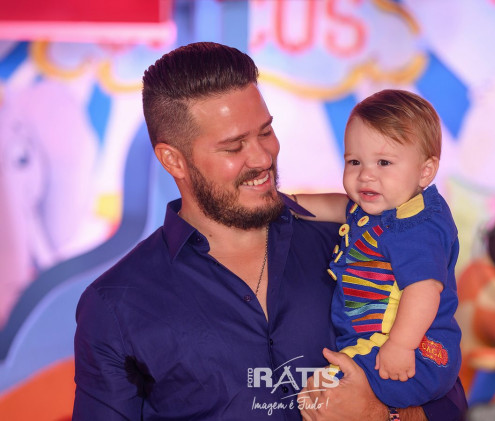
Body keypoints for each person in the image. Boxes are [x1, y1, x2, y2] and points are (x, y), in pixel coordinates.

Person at [72, 42, 467, 420]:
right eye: (233, 147)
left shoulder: (356, 244)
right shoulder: (117, 304)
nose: (263, 157)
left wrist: (380, 416)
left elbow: (451, 407)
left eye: (265, 132)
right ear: (173, 160)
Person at [292, 89, 461, 410]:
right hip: (380, 346)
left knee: (327, 394)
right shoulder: (380, 206)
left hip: (412, 353)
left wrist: (400, 345)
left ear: (425, 171)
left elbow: (424, 290)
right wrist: (290, 203)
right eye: (354, 161)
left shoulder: (417, 226)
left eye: (384, 162)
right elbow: (339, 206)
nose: (366, 174)